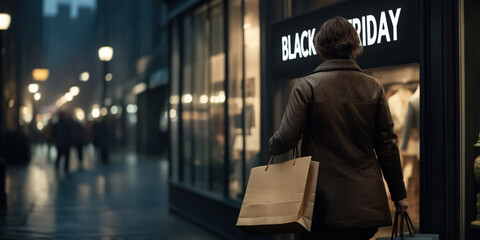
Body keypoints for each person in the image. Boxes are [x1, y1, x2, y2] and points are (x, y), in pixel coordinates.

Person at [268, 17, 408, 240]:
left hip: (321, 203)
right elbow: (387, 146)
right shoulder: (373, 86)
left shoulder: (306, 86)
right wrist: (399, 194)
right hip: (365, 204)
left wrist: (272, 144)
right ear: (354, 45)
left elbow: (285, 138)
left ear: (320, 46)